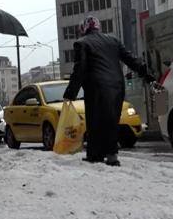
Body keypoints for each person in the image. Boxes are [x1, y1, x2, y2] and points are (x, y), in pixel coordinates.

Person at [63, 15, 155, 167]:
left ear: (83, 29)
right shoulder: (113, 41)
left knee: (95, 121)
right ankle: (111, 155)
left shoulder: (81, 43)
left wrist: (70, 94)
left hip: (96, 87)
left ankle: (95, 155)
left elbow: (79, 70)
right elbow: (130, 59)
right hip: (117, 86)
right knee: (112, 120)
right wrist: (147, 74)